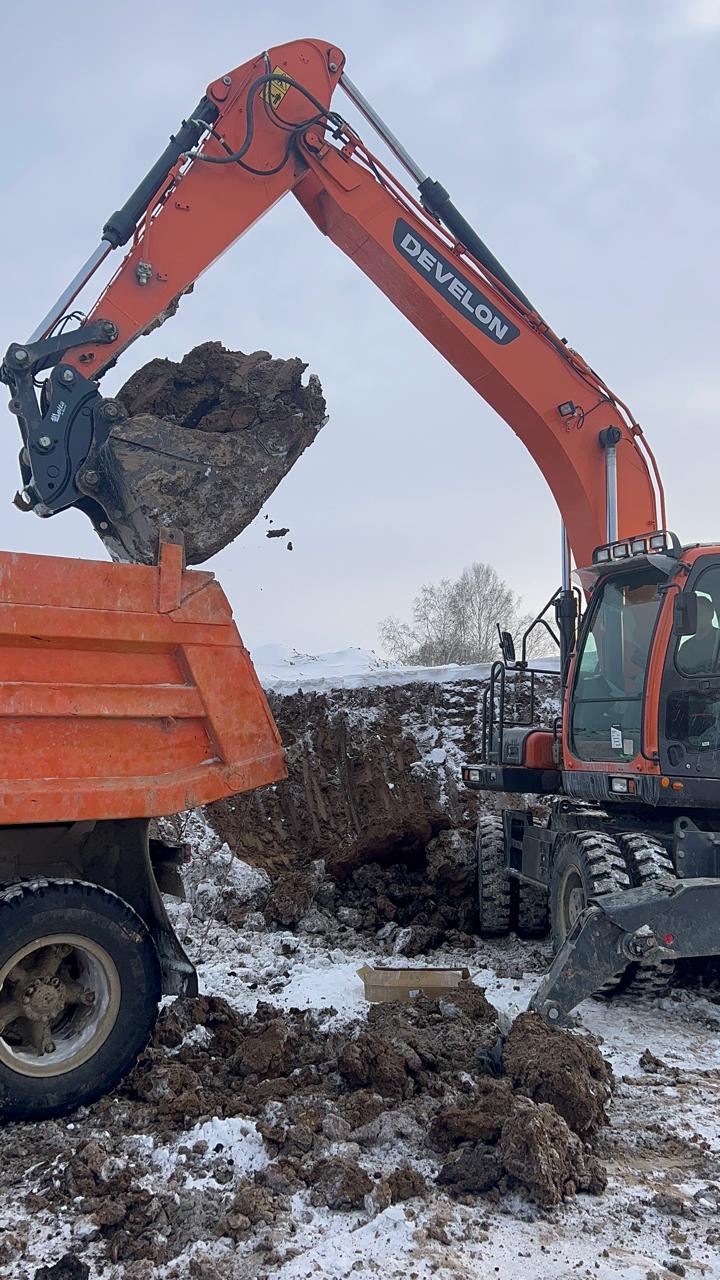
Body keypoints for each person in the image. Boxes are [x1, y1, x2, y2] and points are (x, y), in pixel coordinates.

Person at [678, 595, 720, 674]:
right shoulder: (686, 647)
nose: (697, 617)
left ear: (711, 614)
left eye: (700, 613)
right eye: (693, 614)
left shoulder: (718, 639)